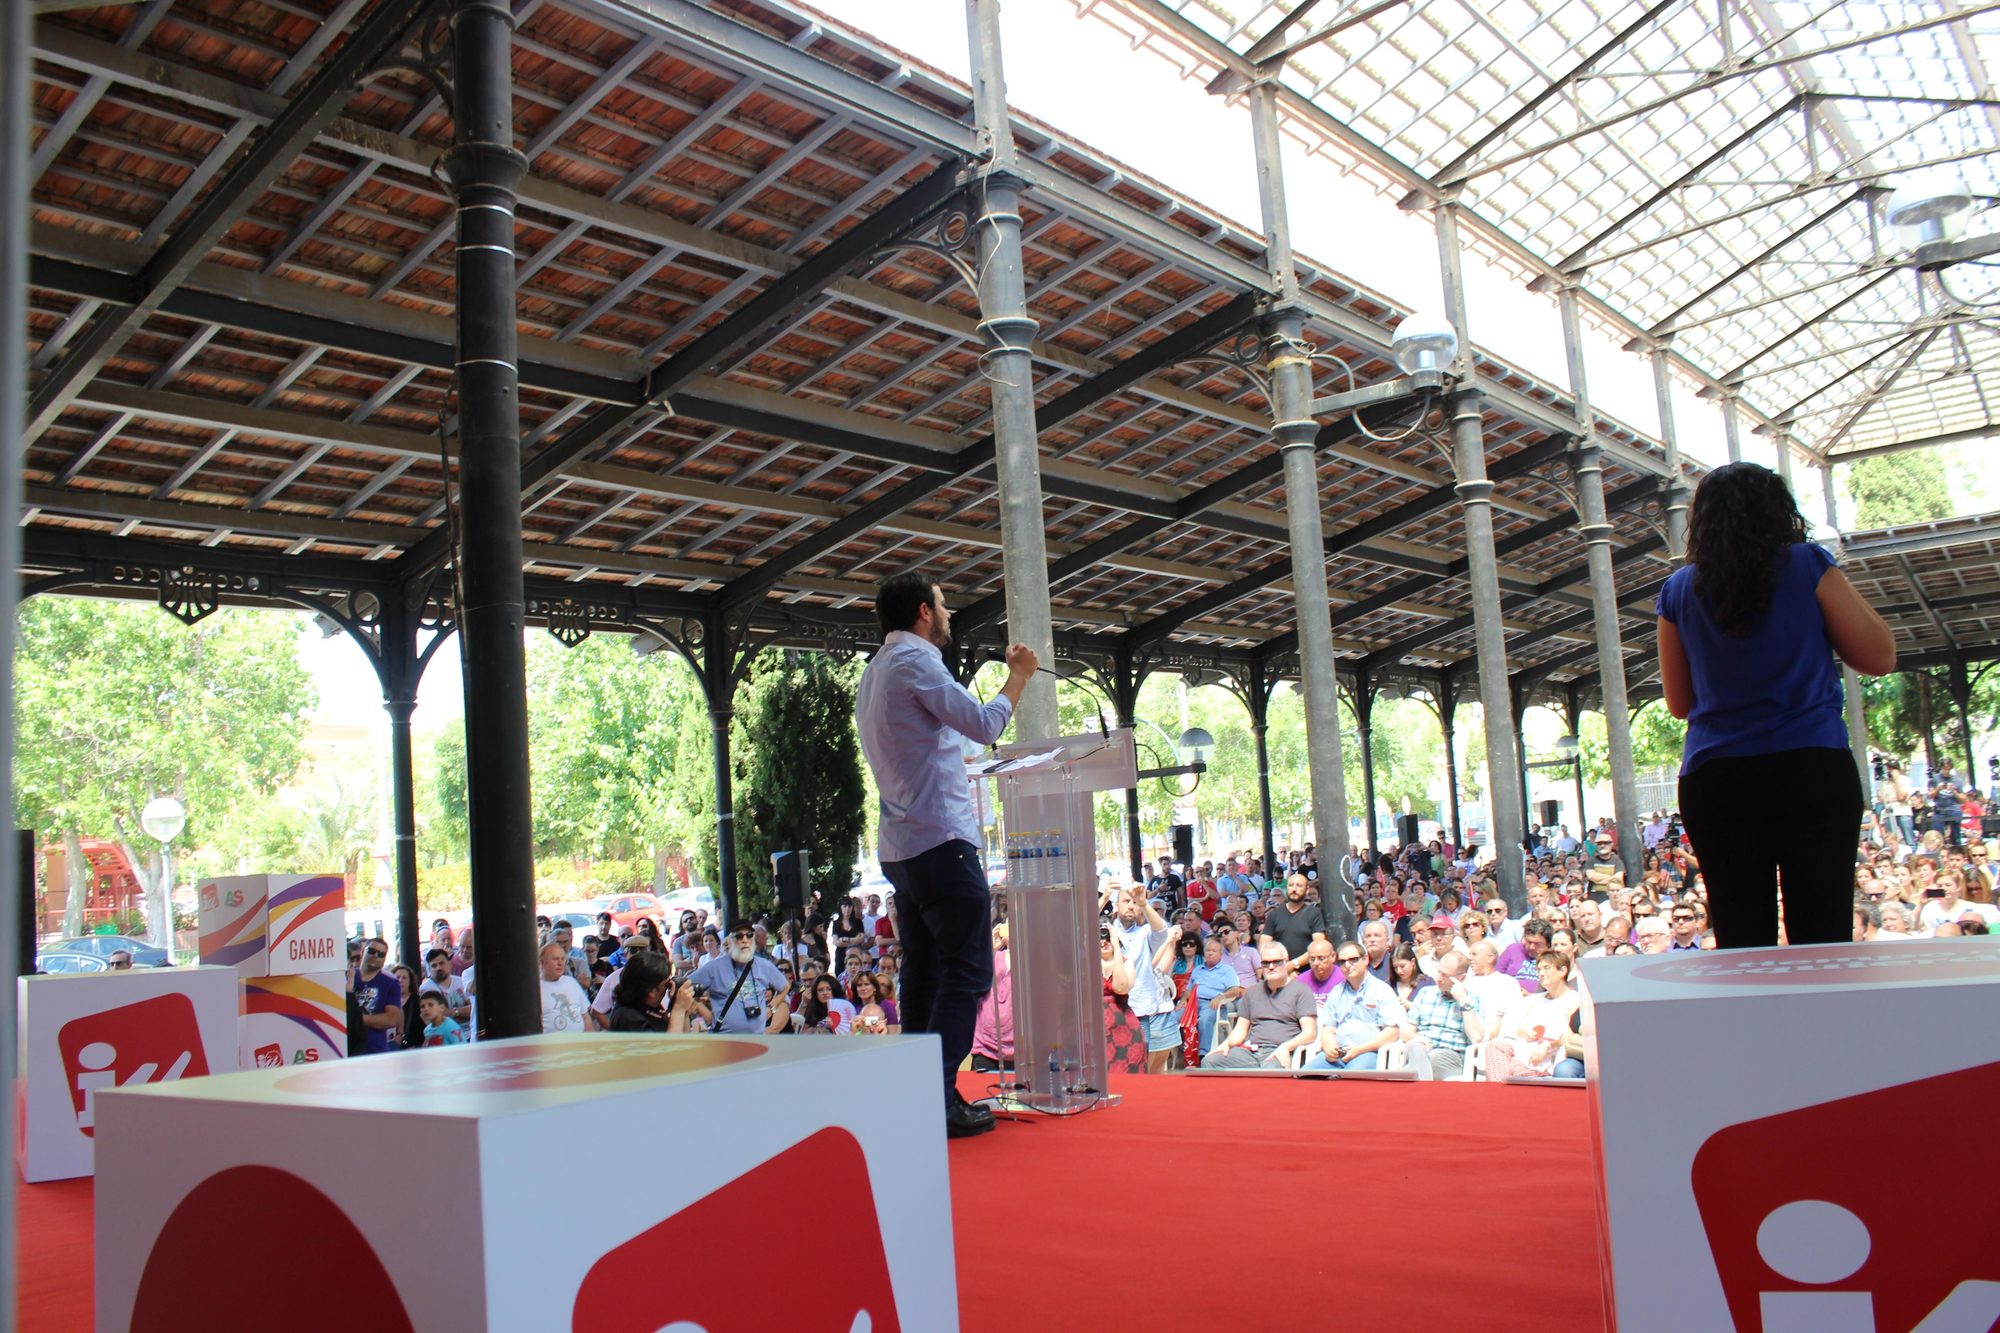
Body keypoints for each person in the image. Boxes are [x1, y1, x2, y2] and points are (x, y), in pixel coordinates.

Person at [1658, 461, 1896, 947]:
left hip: (1717, 777)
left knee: (1742, 942)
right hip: (1810, 766)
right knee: (1823, 933)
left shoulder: (1678, 589)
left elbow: (1679, 703)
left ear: (1701, 520)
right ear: (1779, 511)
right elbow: (1879, 656)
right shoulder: (1807, 564)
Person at [854, 571, 1038, 1138]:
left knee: (926, 972)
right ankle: (934, 1095)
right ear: (923, 613)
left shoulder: (876, 671)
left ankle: (920, 1094)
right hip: (940, 840)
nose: (950, 613)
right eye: (943, 604)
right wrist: (1019, 678)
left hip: (903, 847)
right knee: (969, 968)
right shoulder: (917, 663)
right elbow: (983, 726)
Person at [1201, 941, 1318, 1069]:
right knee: (1209, 1062)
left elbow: (1310, 1033)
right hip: (1251, 1051)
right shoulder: (1252, 991)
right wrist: (1226, 1044)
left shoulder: (1301, 990)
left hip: (1280, 1050)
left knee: (1270, 1071)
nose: (1271, 967)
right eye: (1266, 963)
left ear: (1286, 961)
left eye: (1277, 962)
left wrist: (1286, 1047)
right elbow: (1240, 1030)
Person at [1304, 942, 1407, 1071]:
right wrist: (1329, 1047)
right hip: (1338, 1054)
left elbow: (1391, 1033)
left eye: (1353, 960)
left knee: (1351, 1080)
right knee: (1305, 1075)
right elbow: (1328, 1028)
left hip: (1367, 1052)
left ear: (1365, 959)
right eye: (1342, 962)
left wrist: (1361, 1049)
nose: (1347, 965)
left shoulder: (1382, 990)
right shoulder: (1336, 992)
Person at [1484, 951, 1582, 1080]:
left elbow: (1569, 1034)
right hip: (1527, 1048)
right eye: (1539, 969)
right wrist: (1528, 1033)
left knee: (1509, 1068)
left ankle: (1499, 1091)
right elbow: (1521, 1030)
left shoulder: (1573, 998)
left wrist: (1547, 1045)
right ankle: (1500, 1091)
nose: (1541, 973)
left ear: (1563, 971)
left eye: (1547, 968)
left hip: (1551, 1053)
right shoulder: (1537, 999)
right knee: (1495, 1045)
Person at [1112, 885, 1178, 1074]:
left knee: (1146, 1070)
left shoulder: (1145, 932)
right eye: (1126, 901)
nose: (1131, 906)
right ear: (1116, 905)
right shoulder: (1106, 931)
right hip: (1113, 1010)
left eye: (1135, 903)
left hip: (1143, 1010)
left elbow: (1160, 931)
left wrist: (1144, 902)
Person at [686, 925, 791, 1035]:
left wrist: (771, 1008)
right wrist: (705, 1014)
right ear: (730, 943)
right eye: (739, 936)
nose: (745, 940)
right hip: (723, 1040)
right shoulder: (714, 968)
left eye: (749, 936)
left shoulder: (765, 965)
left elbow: (785, 986)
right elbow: (682, 987)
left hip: (756, 1041)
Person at [1402, 951, 1477, 1081]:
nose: (1439, 979)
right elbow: (1406, 1033)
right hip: (1422, 1047)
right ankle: (1422, 1093)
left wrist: (1464, 1003)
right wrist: (1421, 1039)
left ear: (1462, 978)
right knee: (1416, 1049)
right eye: (1439, 972)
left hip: (1450, 1056)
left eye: (1446, 975)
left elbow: (1476, 1037)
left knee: (1419, 1064)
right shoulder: (1425, 993)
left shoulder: (1472, 1000)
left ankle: (1414, 1091)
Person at [1188, 935, 1245, 1060]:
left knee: (1204, 1019)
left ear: (1220, 955)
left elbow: (1235, 990)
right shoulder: (1197, 969)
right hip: (1194, 1003)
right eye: (1208, 951)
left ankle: (1203, 1055)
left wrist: (1221, 996)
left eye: (1214, 951)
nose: (1210, 954)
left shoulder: (1227, 970)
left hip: (1213, 1004)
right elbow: (1188, 990)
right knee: (1175, 1017)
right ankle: (1183, 1052)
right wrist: (1182, 1000)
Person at [349, 938, 402, 1056]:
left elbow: (391, 1019)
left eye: (381, 954)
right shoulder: (347, 976)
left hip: (376, 1052)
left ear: (384, 960)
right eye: (371, 951)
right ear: (363, 952)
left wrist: (355, 1019)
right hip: (345, 1050)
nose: (375, 955)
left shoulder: (391, 983)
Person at [1263, 874, 1328, 967]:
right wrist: (1281, 967)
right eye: (1291, 885)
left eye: (1299, 886)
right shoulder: (1274, 914)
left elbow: (1318, 946)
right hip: (1279, 970)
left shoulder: (1314, 914)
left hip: (1306, 972)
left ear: (1307, 889)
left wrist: (1293, 965)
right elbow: (1264, 945)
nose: (1294, 889)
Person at [605, 952, 674, 1033]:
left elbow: (683, 1041)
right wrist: (678, 1010)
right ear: (652, 991)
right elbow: (667, 1044)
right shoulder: (627, 1018)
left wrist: (684, 1012)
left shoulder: (649, 1007)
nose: (668, 989)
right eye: (666, 985)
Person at [539, 942, 590, 1034]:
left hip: (579, 1045)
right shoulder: (536, 990)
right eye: (555, 959)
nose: (560, 963)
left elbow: (585, 1017)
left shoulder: (571, 982)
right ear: (542, 963)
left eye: (562, 959)